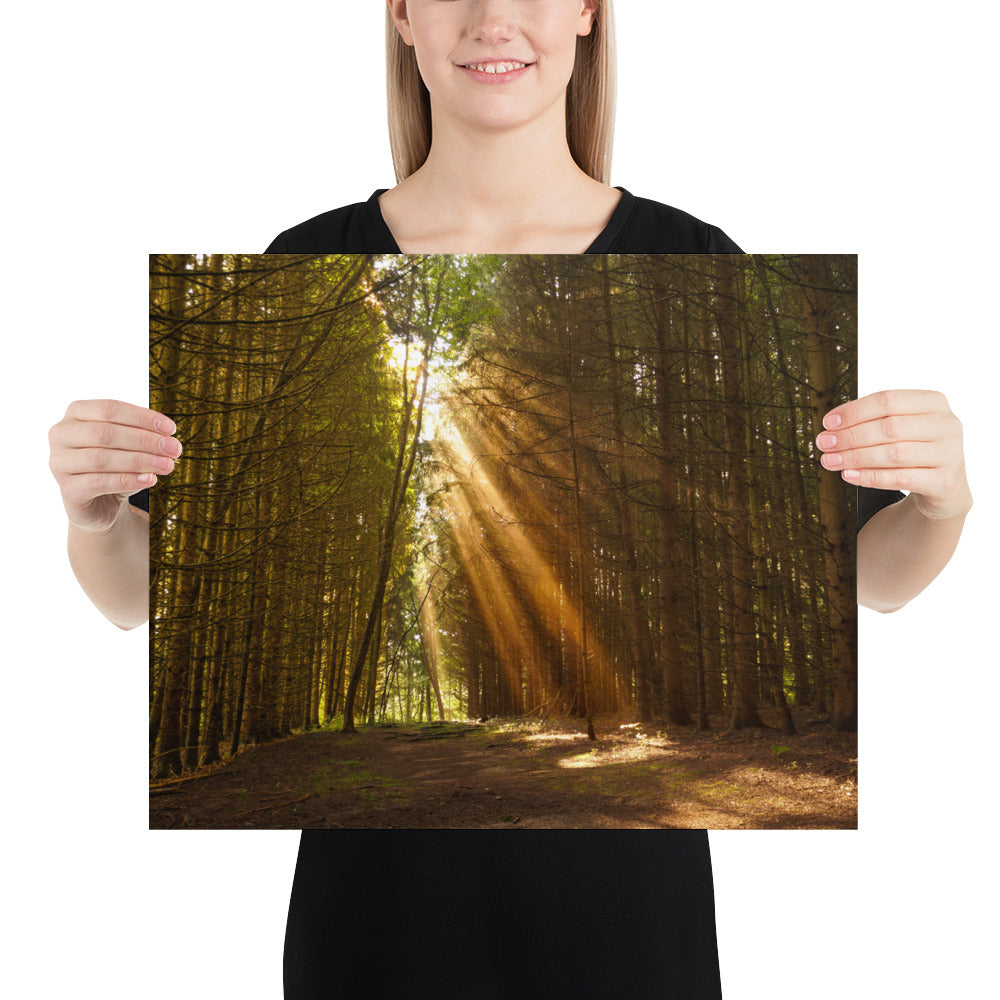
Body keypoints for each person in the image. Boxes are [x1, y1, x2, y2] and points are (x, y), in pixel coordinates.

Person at [47, 2, 972, 997]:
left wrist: (941, 505)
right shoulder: (306, 260)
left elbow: (864, 580)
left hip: (630, 927)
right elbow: (136, 597)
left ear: (586, 14)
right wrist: (93, 517)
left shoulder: (696, 258)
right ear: (402, 15)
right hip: (371, 927)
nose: (495, 18)